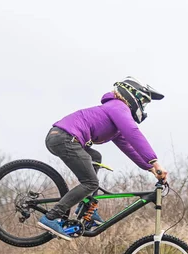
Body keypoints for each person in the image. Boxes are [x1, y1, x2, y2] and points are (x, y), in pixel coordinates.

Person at [38, 77, 168, 241]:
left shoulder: (114, 114)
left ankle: (86, 208)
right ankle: (51, 217)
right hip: (64, 138)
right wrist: (155, 161)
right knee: (91, 183)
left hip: (62, 137)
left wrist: (150, 167)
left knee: (95, 157)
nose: (143, 106)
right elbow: (133, 133)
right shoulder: (118, 107)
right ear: (131, 94)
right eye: (143, 101)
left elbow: (128, 146)